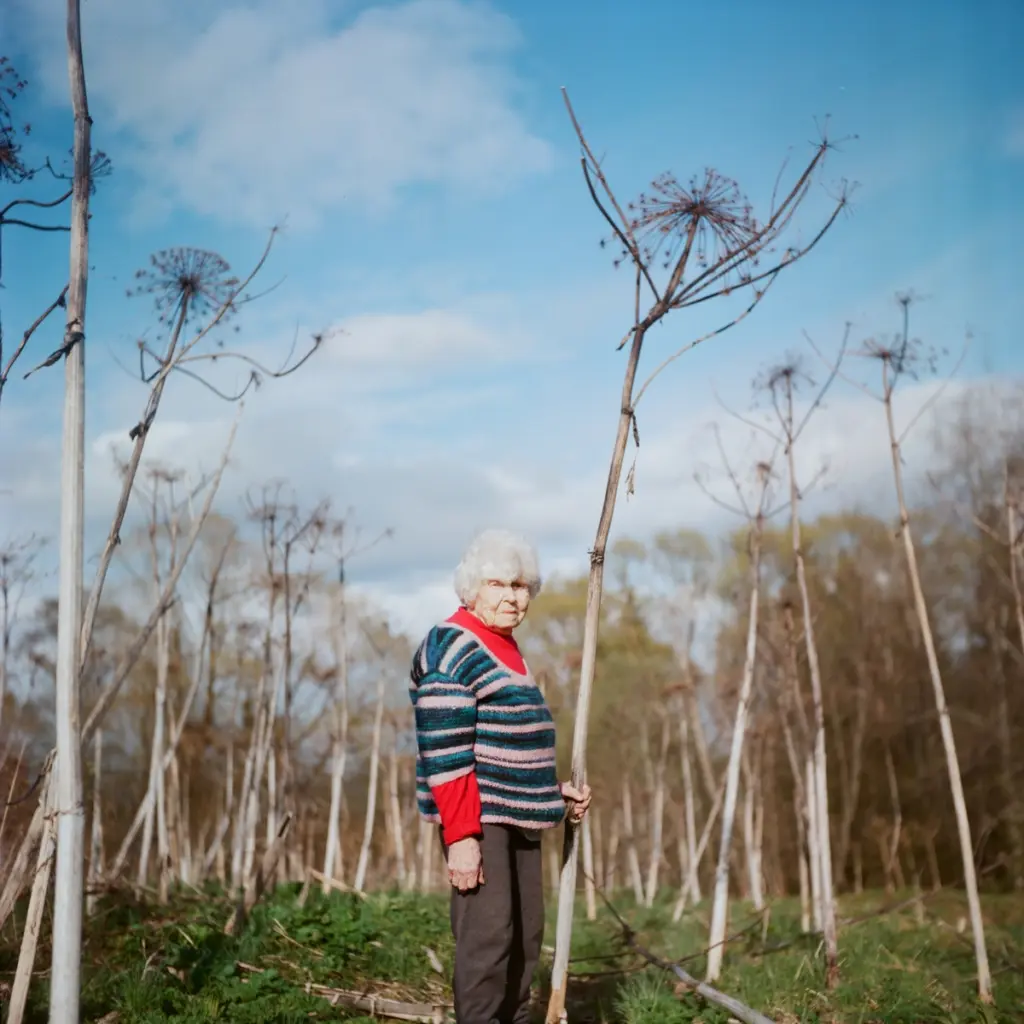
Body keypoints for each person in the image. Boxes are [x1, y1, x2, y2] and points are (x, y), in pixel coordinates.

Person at [409, 528, 592, 1024]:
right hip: (479, 820)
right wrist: (463, 838)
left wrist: (554, 796)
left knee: (525, 941)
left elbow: (507, 750)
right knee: (488, 945)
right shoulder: (451, 646)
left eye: (521, 585)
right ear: (471, 588)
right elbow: (446, 755)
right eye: (498, 584)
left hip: (517, 820)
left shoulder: (507, 649)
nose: (513, 596)